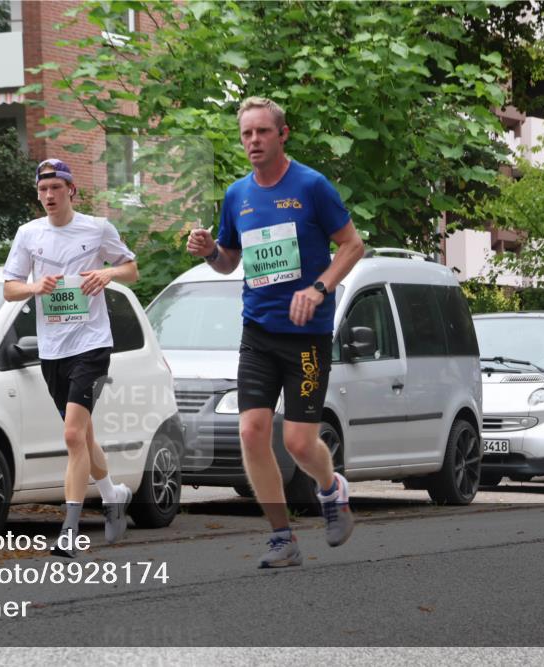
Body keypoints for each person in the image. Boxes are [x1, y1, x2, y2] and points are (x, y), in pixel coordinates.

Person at [187, 97, 365, 568]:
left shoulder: (311, 185)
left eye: (263, 132)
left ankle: (331, 488)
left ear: (282, 134)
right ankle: (282, 537)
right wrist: (209, 251)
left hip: (306, 335)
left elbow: (352, 244)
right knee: (251, 432)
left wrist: (320, 288)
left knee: (299, 443)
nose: (253, 142)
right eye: (246, 134)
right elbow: (229, 262)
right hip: (258, 332)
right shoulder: (236, 195)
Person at [3, 158, 140, 557]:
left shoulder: (97, 228)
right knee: (84, 436)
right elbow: (9, 289)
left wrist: (107, 275)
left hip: (92, 344)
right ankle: (114, 493)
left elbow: (130, 268)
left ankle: (69, 528)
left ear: (71, 190)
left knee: (71, 435)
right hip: (52, 348)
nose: (48, 196)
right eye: (43, 190)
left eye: (56, 189)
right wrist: (33, 287)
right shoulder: (28, 234)